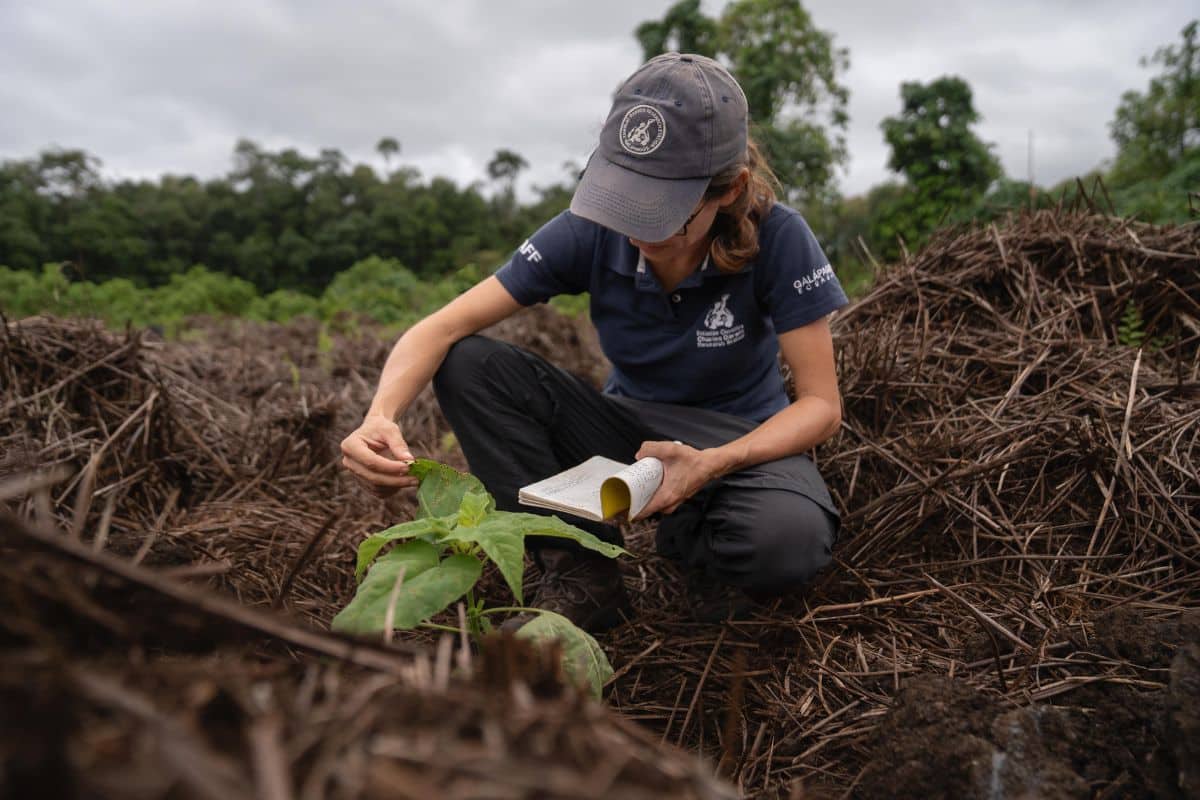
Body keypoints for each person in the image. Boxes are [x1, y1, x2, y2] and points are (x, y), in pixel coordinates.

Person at [340, 53, 848, 632]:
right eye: (626, 198)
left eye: (665, 212)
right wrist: (379, 415)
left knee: (784, 546)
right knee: (469, 363)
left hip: (738, 435)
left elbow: (821, 406)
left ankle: (699, 539)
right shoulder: (592, 231)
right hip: (630, 429)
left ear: (728, 191)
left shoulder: (781, 238)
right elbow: (439, 328)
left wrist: (711, 465)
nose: (637, 228)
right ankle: (583, 576)